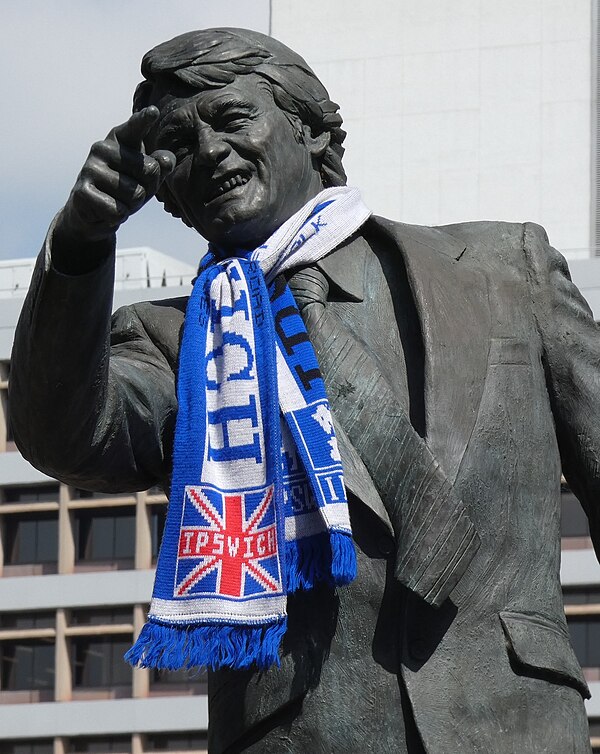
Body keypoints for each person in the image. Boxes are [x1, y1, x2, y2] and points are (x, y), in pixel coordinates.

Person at [9, 27, 599, 754]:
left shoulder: (508, 271)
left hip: (519, 727)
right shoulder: (171, 337)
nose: (210, 153)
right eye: (179, 146)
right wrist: (79, 244)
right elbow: (63, 435)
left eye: (230, 119)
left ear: (314, 131)